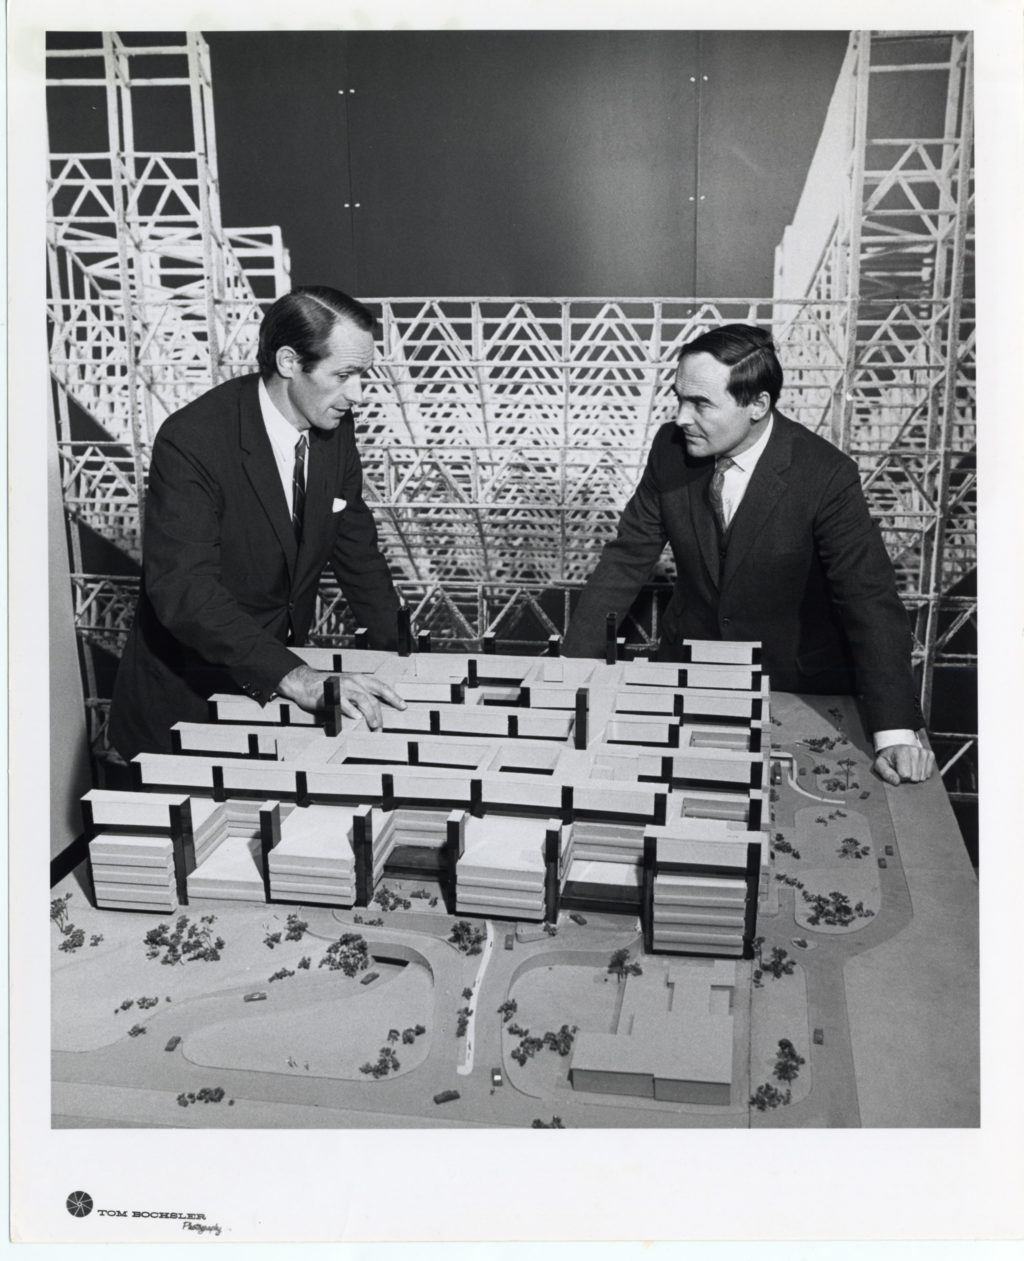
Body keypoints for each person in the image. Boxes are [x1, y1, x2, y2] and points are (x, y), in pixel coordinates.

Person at [562, 323, 935, 786]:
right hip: (688, 672)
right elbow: (625, 560)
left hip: (792, 687)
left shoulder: (826, 474)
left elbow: (869, 599)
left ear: (758, 404)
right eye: (678, 398)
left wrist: (894, 732)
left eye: (700, 403)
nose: (681, 417)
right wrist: (571, 675)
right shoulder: (670, 449)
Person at [109, 286, 406, 761]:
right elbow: (185, 591)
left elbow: (356, 548)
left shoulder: (332, 425)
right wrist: (297, 676)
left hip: (272, 693)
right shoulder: (193, 441)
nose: (359, 395)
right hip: (184, 704)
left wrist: (406, 656)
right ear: (289, 362)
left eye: (363, 376)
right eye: (345, 375)